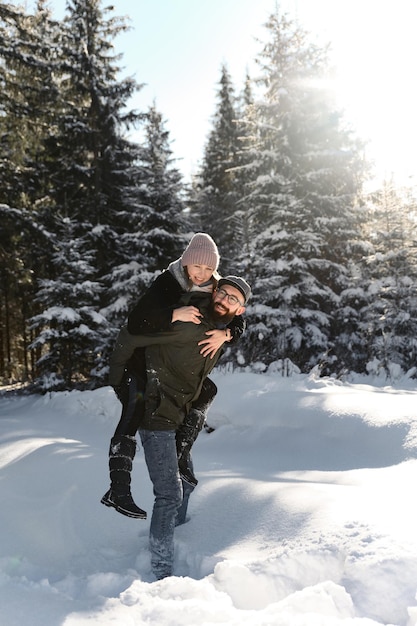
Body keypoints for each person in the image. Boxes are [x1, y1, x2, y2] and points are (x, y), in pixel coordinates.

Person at [101, 234, 245, 520]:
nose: (202, 274)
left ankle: (181, 452)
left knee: (207, 390)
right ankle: (118, 489)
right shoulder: (169, 281)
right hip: (140, 363)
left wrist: (228, 333)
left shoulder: (215, 285)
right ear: (186, 262)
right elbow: (136, 322)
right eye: (197, 268)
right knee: (132, 414)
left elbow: (237, 311)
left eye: (208, 270)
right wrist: (173, 314)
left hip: (166, 368)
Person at [116, 275, 251, 580]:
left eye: (234, 300)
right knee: (169, 494)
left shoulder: (223, 327)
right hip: (156, 413)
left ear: (240, 311)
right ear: (213, 291)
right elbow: (138, 323)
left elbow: (237, 325)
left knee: (185, 482)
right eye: (223, 293)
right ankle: (162, 572)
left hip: (179, 413)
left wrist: (228, 334)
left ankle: (176, 531)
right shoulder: (189, 312)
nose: (225, 301)